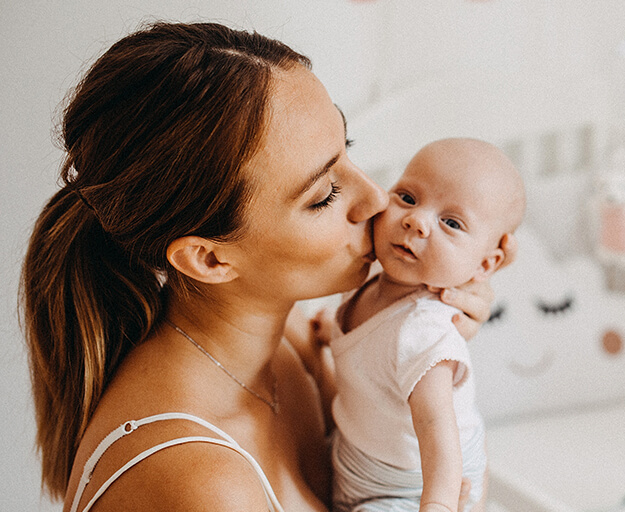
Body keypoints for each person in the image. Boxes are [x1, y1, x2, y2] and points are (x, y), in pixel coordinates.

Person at [20, 22, 516, 512]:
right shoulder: (201, 483)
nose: (375, 198)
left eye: (349, 150)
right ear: (211, 258)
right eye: (323, 195)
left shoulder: (295, 340)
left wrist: (423, 340)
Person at [308, 138, 526, 512]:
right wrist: (333, 330)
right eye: (407, 197)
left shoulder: (425, 331)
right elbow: (371, 349)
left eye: (452, 222)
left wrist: (437, 505)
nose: (417, 220)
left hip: (415, 482)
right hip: (363, 458)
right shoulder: (369, 275)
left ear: (484, 266)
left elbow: (436, 428)